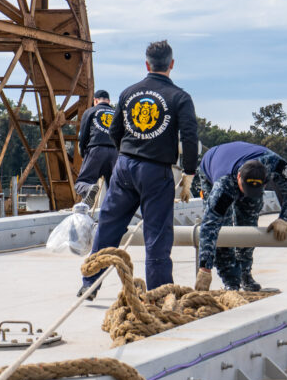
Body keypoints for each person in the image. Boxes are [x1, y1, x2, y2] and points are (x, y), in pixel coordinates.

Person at [79, 40, 198, 297]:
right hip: (156, 171)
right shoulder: (180, 97)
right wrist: (188, 173)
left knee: (109, 225)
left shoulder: (128, 93)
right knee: (156, 235)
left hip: (124, 166)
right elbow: (189, 138)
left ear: (147, 64)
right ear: (172, 65)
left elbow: (114, 131)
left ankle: (90, 282)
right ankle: (158, 292)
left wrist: (127, 153)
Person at [194, 141, 287, 292]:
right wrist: (205, 268)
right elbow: (210, 225)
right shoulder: (224, 184)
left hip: (242, 165)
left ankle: (245, 274)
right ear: (239, 178)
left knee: (248, 223)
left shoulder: (274, 164)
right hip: (212, 164)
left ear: (265, 182)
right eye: (245, 189)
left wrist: (284, 218)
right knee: (224, 230)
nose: (245, 195)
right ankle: (231, 281)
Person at [75, 89, 117, 208]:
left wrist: (84, 154)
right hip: (115, 152)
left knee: (81, 183)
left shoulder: (90, 112)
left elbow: (83, 136)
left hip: (96, 150)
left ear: (95, 100)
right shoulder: (116, 114)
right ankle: (115, 218)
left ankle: (88, 188)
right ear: (109, 101)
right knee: (114, 189)